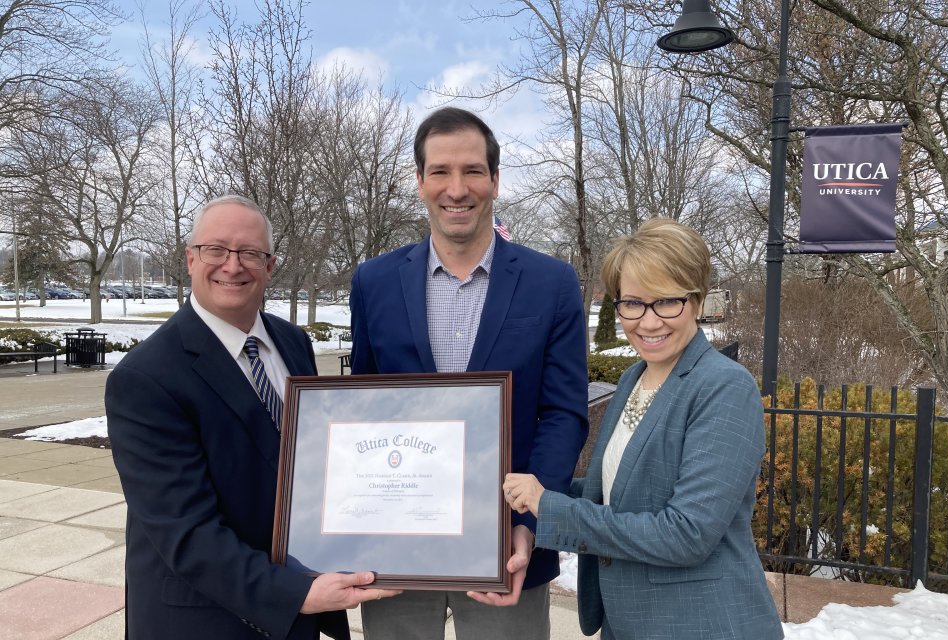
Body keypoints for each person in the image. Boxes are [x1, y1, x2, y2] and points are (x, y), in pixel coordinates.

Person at [106, 195, 397, 640]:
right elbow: (185, 531)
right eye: (216, 249)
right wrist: (295, 594)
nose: (233, 265)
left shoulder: (292, 342)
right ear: (190, 258)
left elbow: (311, 462)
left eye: (250, 253)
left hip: (297, 608)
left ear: (270, 266)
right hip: (204, 618)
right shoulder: (145, 378)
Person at [349, 106, 589, 640]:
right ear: (420, 181)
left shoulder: (551, 283)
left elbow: (563, 413)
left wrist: (529, 522)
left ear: (495, 180)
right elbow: (361, 409)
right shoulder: (373, 283)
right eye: (440, 171)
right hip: (398, 547)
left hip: (507, 549)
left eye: (472, 171)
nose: (456, 189)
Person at [503, 218, 784, 639]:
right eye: (633, 303)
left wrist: (550, 506)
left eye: (667, 302)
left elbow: (687, 533)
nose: (648, 322)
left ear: (697, 300)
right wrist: (531, 491)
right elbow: (620, 493)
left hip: (700, 623)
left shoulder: (724, 386)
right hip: (628, 622)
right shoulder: (633, 379)